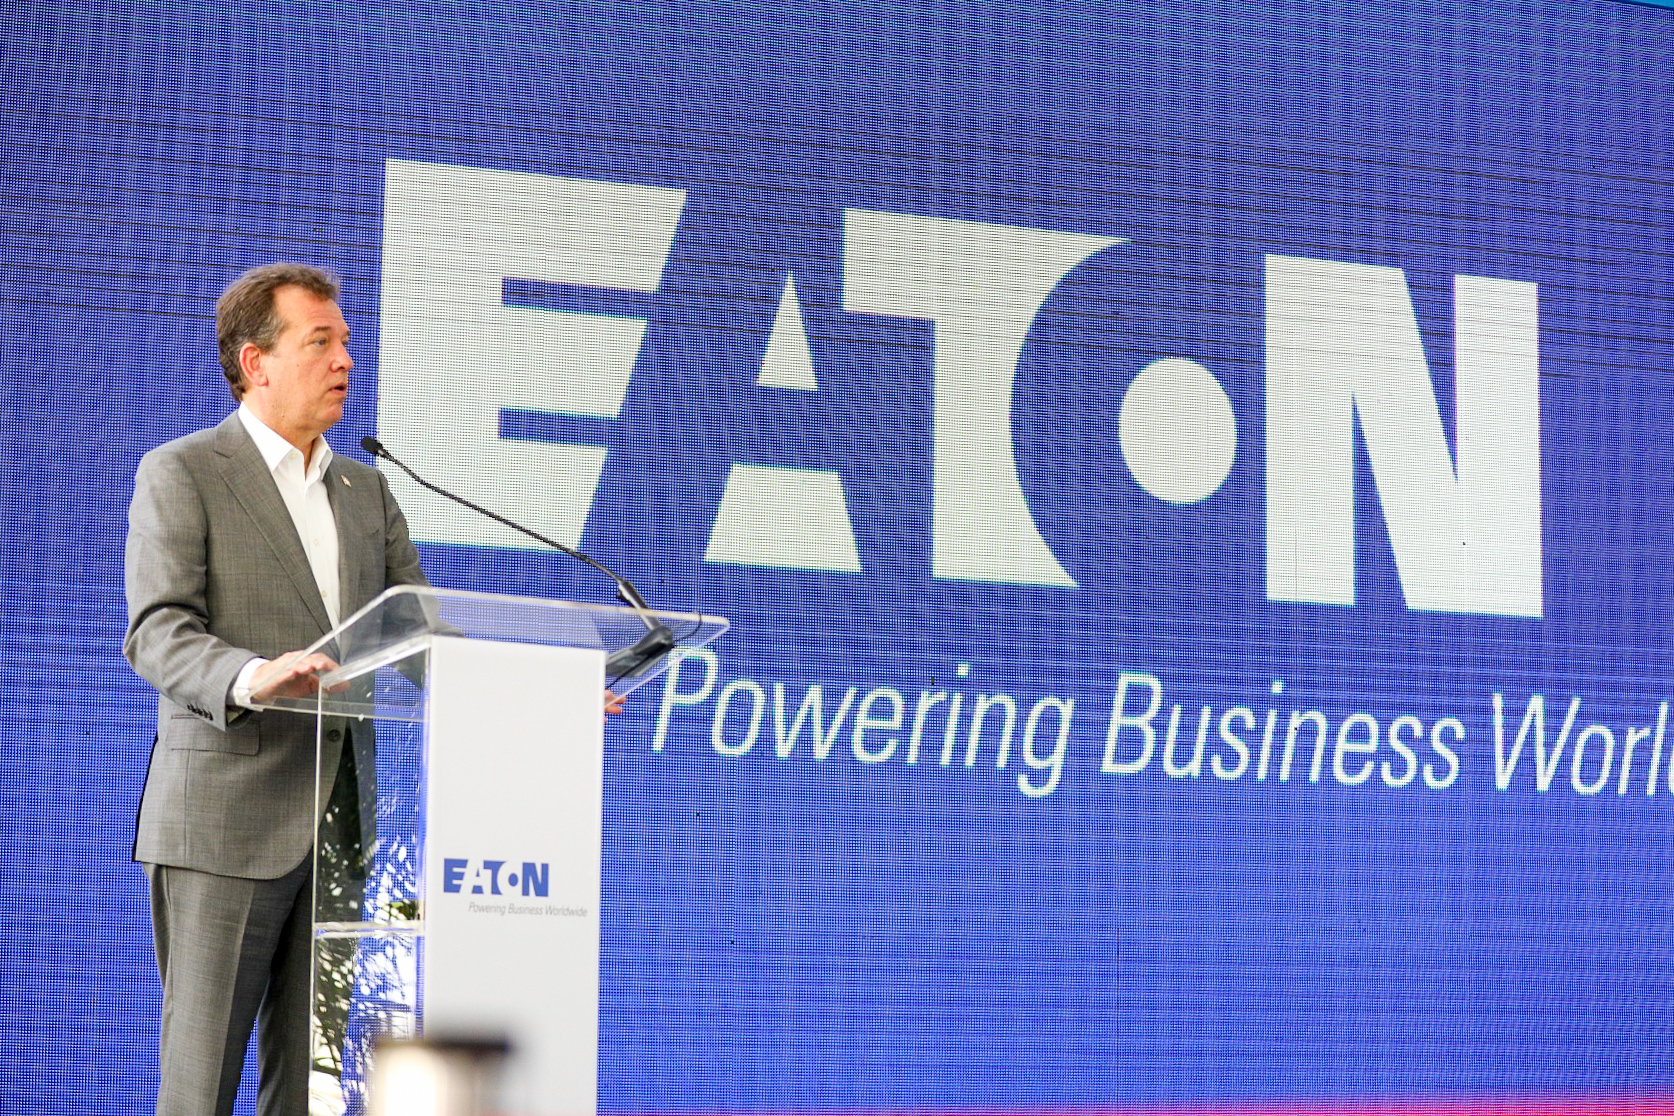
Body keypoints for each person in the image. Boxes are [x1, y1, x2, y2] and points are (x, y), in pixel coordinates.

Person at [125, 262, 427, 1115]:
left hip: (340, 827)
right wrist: (254, 676)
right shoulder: (184, 471)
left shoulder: (366, 490)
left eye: (346, 342)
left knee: (312, 1089)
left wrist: (538, 698)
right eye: (319, 342)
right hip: (225, 821)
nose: (346, 360)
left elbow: (422, 640)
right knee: (200, 1088)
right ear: (255, 362)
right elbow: (158, 630)